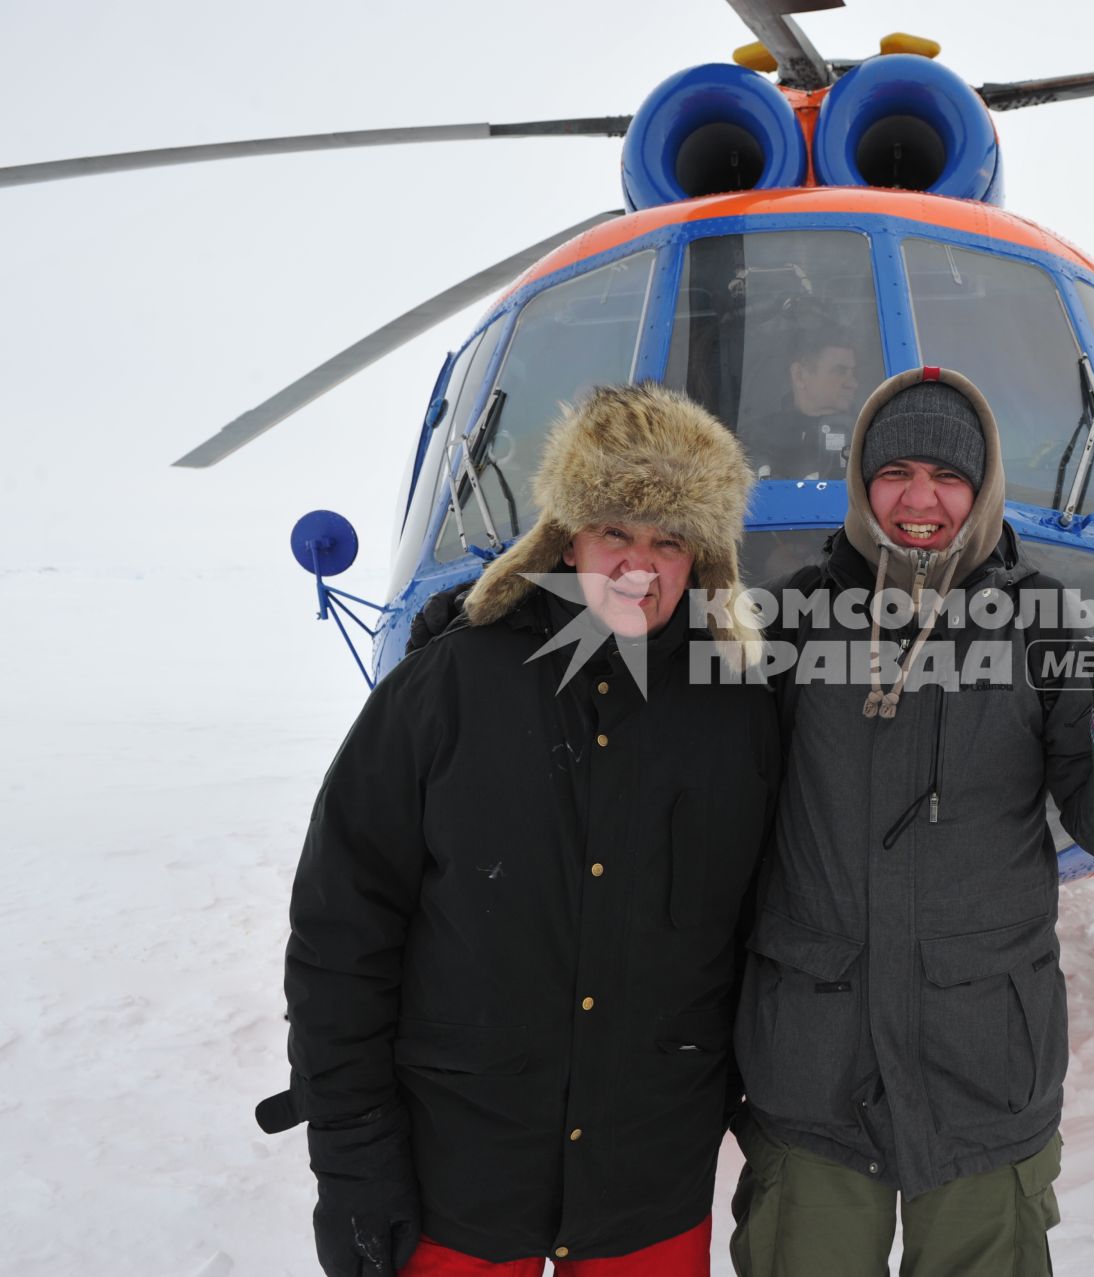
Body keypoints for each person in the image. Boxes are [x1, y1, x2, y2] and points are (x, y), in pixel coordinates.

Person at [258, 384, 781, 1277]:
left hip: (646, 1183)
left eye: (668, 541)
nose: (638, 566)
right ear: (566, 535)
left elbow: (770, 933)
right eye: (615, 531)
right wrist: (351, 1154)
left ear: (703, 560)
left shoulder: (743, 715)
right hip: (455, 1178)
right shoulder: (446, 689)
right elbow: (342, 934)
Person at [727, 367, 1094, 1277]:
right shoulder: (789, 621)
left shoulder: (1044, 626)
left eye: (947, 475)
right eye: (895, 472)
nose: (920, 500)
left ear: (982, 486)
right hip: (816, 1057)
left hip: (982, 1059)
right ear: (861, 480)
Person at [747, 323, 860, 480]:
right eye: (839, 371)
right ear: (799, 375)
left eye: (852, 373)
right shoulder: (758, 439)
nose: (853, 383)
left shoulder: (866, 434)